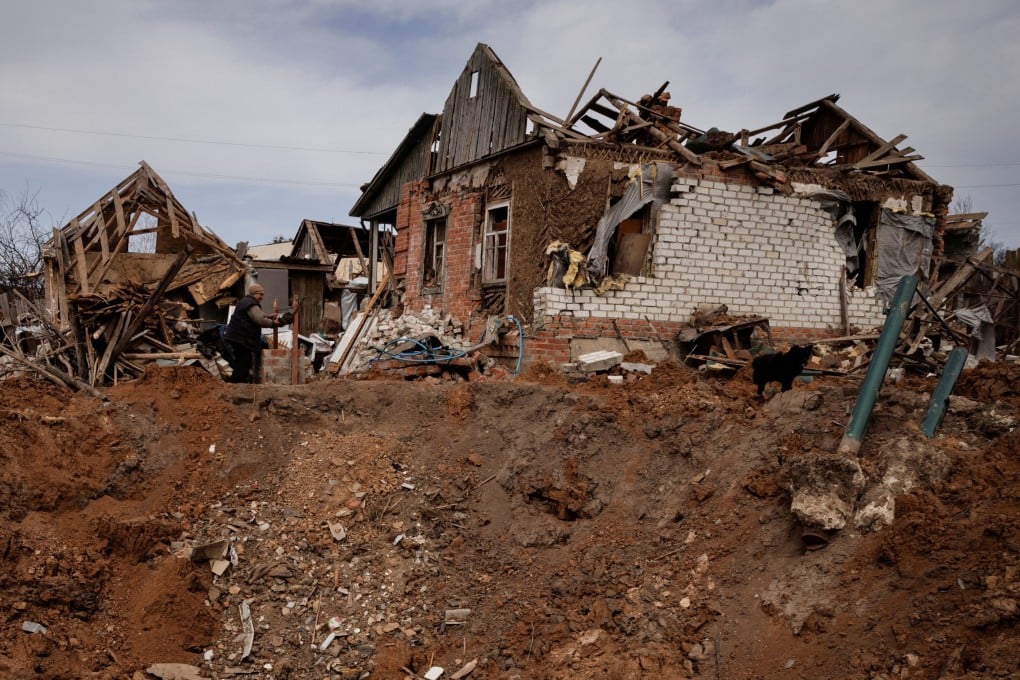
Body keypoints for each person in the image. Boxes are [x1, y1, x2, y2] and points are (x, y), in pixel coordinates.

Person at [223, 283, 287, 383]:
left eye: (262, 294)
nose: (262, 297)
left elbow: (257, 316)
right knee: (243, 364)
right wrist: (275, 323)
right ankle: (233, 386)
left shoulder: (246, 301)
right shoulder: (251, 303)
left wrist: (268, 316)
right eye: (260, 294)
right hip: (240, 339)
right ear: (253, 294)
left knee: (242, 363)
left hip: (237, 338)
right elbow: (260, 320)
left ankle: (235, 384)